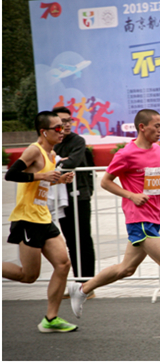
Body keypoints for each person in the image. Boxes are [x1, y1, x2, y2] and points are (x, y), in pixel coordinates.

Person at [67, 109, 160, 336]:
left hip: (154, 216)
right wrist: (131, 195)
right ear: (142, 127)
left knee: (126, 269)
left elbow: (149, 175)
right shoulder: (126, 153)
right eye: (156, 126)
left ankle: (82, 289)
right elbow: (106, 182)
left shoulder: (156, 149)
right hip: (139, 219)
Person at [3, 111, 77, 333]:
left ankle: (51, 319)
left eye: (63, 126)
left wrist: (58, 179)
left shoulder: (52, 154)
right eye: (57, 127)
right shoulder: (33, 150)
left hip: (44, 217)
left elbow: (42, 186)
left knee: (63, 264)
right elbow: (11, 174)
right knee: (28, 276)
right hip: (27, 219)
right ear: (44, 131)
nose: (62, 130)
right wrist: (40, 176)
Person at [52, 106, 96, 298]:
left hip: (80, 195)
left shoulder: (78, 141)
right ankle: (79, 285)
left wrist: (59, 162)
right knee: (71, 241)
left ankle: (88, 286)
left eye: (68, 120)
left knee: (83, 239)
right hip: (61, 198)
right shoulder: (54, 143)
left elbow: (72, 162)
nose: (66, 125)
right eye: (61, 122)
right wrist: (60, 161)